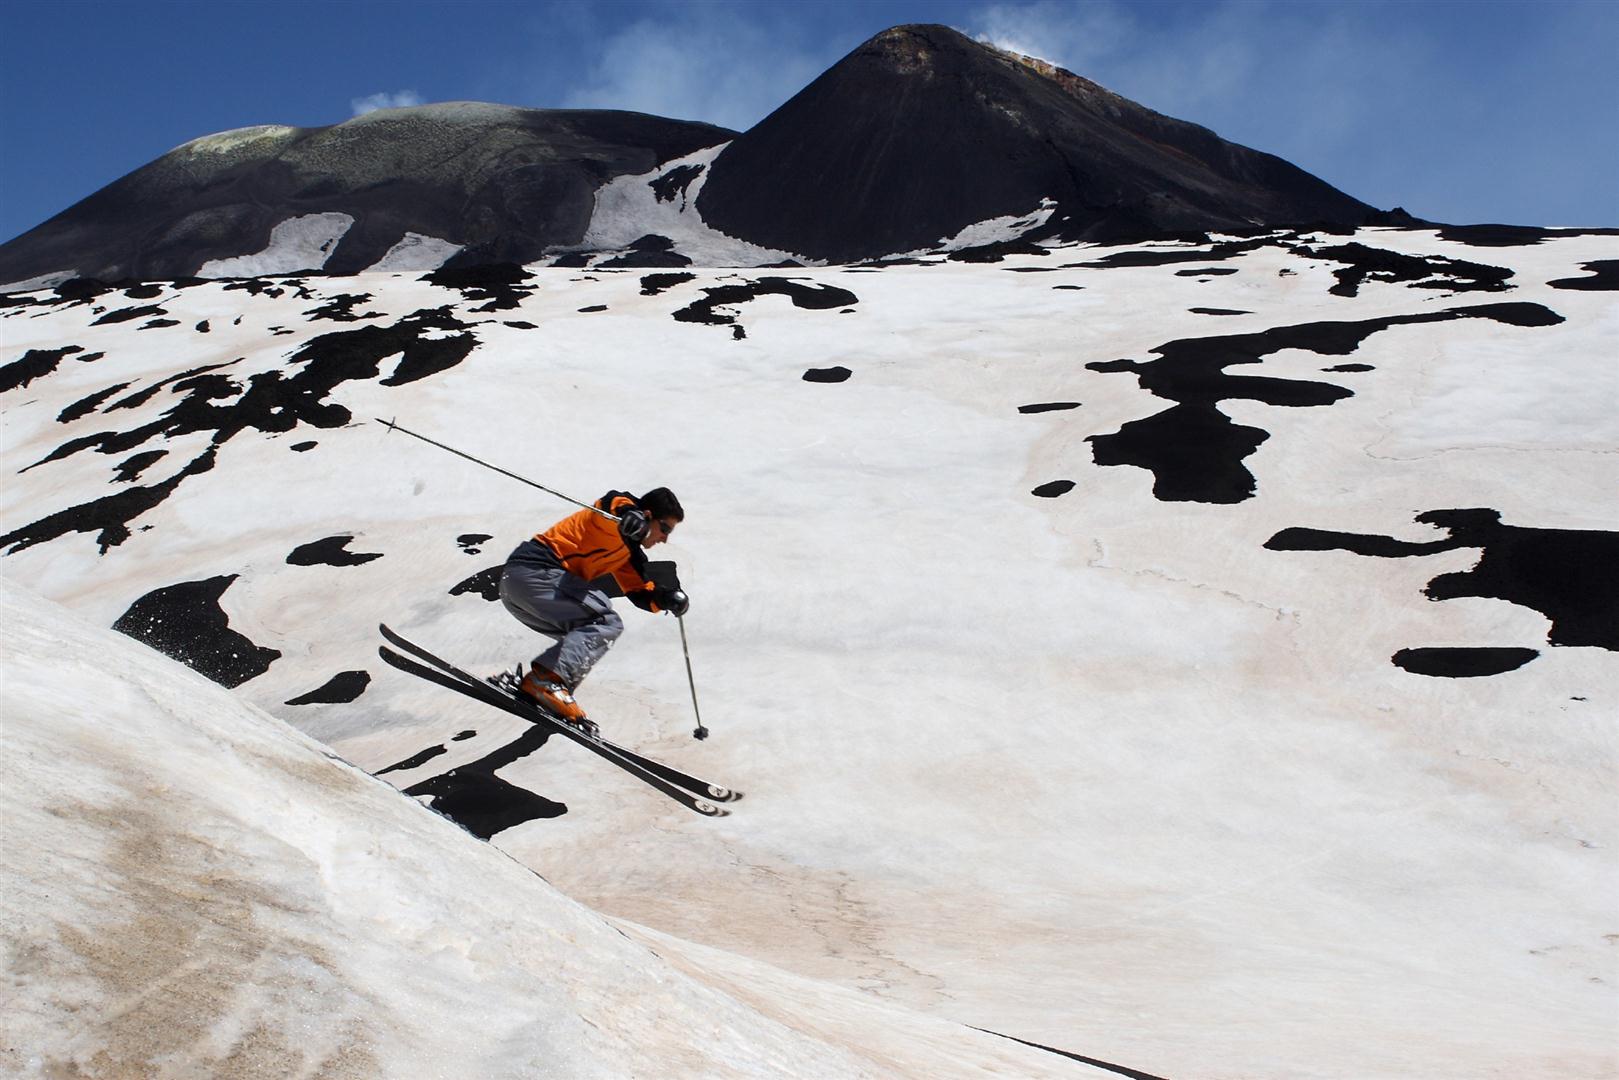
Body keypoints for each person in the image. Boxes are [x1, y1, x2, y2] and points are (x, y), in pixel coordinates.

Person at [497, 488, 687, 729]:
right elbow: (614, 503)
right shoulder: (612, 519)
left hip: (519, 588)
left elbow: (640, 592)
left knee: (583, 639)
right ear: (648, 515)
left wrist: (668, 598)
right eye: (665, 529)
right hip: (537, 573)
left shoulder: (628, 553)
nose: (665, 538)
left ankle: (549, 692)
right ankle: (545, 683)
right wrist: (632, 515)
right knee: (605, 621)